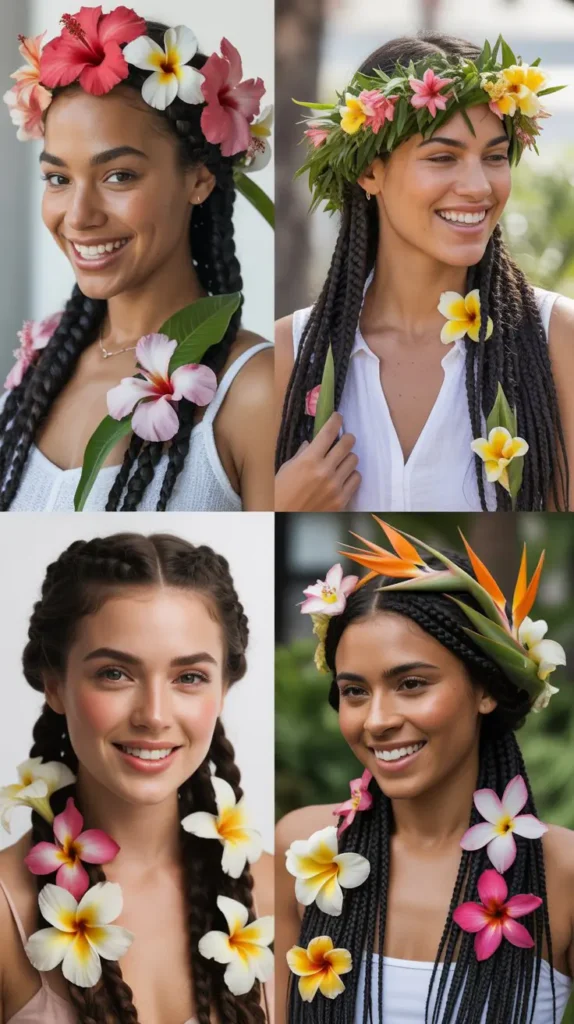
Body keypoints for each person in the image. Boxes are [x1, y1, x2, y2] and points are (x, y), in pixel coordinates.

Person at [275, 519, 574, 1022]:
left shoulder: (562, 874)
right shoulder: (304, 848)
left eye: (411, 684)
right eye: (354, 691)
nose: (377, 721)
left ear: (486, 689)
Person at [275, 33, 574, 513]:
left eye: (495, 157)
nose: (478, 187)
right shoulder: (288, 354)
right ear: (370, 173)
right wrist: (278, 507)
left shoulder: (557, 340)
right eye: (442, 157)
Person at [0, 7, 274, 511]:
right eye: (58, 179)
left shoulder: (254, 392)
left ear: (199, 179)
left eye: (119, 176)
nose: (79, 216)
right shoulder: (38, 371)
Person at [0, 533, 274, 1023]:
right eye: (115, 674)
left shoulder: (280, 895)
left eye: (189, 677)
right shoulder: (5, 913)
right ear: (55, 685)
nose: (153, 715)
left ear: (225, 688)